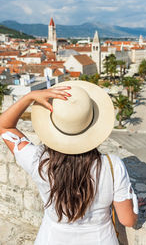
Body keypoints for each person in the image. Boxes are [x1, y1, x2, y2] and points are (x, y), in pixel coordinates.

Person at [0, 81, 138, 245]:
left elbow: (5, 126)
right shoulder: (112, 165)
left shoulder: (38, 160)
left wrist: (30, 97)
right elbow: (128, 220)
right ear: (92, 125)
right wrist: (133, 200)